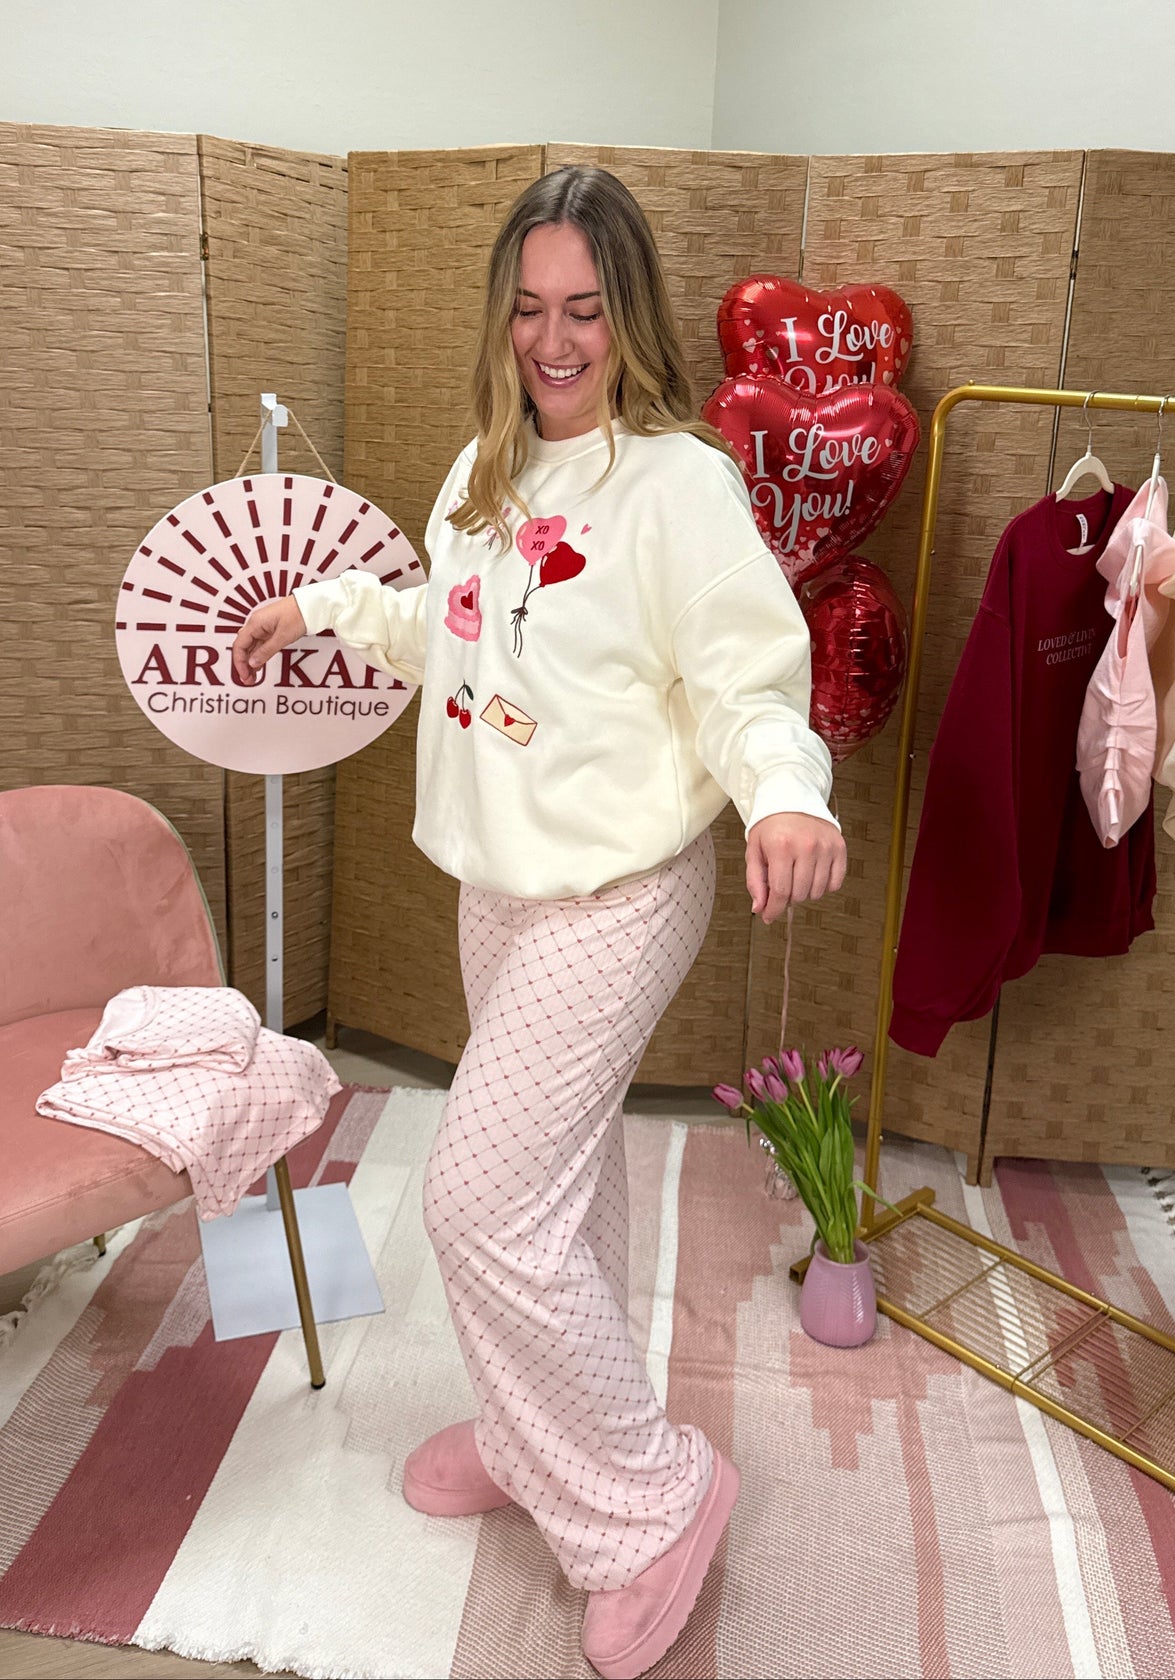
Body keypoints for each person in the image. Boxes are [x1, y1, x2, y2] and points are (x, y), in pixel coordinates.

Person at [231, 165, 845, 1680]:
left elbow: (749, 677)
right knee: (559, 1200)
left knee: (480, 1205)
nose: (555, 340)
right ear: (501, 318)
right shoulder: (481, 473)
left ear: (626, 317)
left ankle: (646, 1501)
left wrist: (783, 792)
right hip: (497, 884)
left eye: (584, 310)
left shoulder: (676, 485)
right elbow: (445, 616)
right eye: (529, 310)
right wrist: (325, 609)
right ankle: (535, 1436)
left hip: (620, 894)